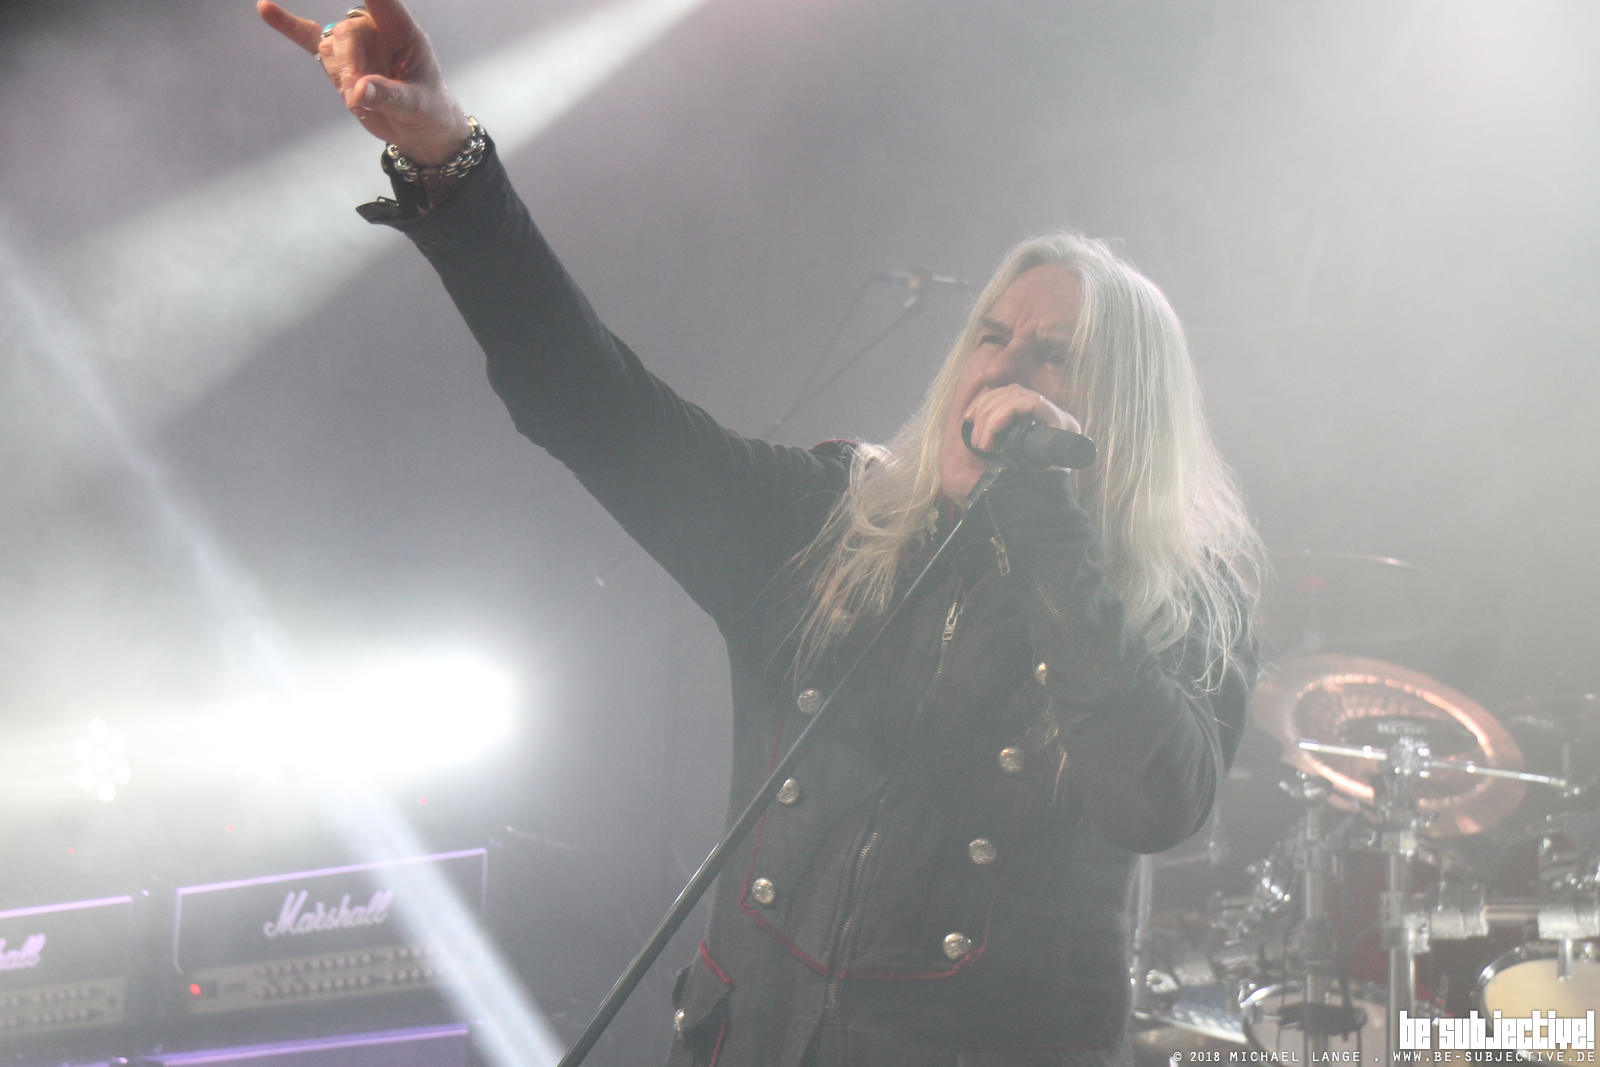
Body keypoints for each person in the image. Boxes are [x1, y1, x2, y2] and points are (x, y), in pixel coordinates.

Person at [259, 2, 1264, 1063]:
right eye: (991, 335)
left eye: (1055, 355)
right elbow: (590, 403)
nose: (1005, 367)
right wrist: (449, 166)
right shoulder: (826, 527)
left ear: (1127, 420)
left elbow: (1155, 800)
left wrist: (1048, 523)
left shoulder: (1186, 602)